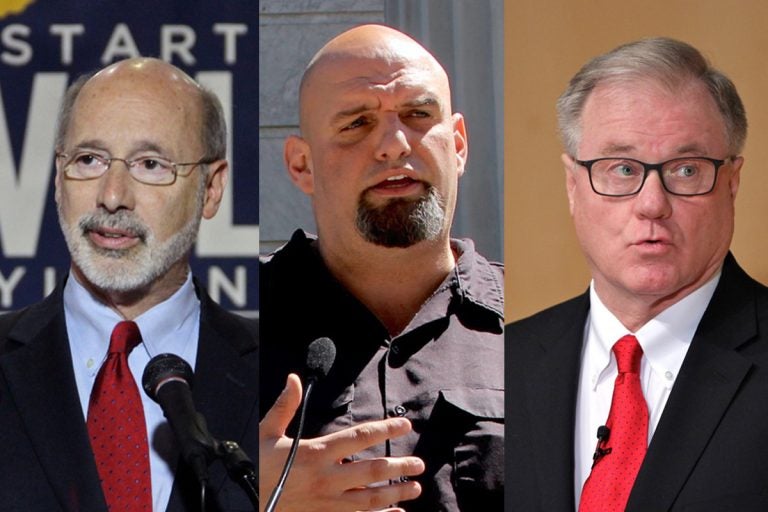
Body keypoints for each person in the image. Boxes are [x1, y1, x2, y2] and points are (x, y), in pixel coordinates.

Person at [506, 37, 768, 511]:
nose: (652, 204)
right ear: (573, 185)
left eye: (687, 170)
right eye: (622, 169)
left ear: (732, 183)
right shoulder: (504, 360)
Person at [259, 24, 504, 511]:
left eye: (417, 114)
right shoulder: (218, 331)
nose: (394, 144)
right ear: (301, 165)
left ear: (457, 144)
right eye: (356, 123)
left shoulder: (544, 328)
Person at [0, 58, 257, 511]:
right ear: (58, 178)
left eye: (151, 164)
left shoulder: (278, 372)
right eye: (89, 159)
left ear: (211, 188)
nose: (113, 196)